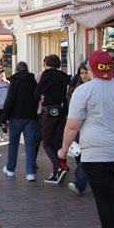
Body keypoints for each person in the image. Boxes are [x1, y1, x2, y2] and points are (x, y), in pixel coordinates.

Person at [58, 50, 114, 228]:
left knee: (104, 197)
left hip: (97, 151)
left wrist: (64, 149)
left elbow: (72, 126)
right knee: (112, 192)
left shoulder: (84, 91)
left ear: (92, 68)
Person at [34, 54, 71, 184]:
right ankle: (56, 172)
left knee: (47, 143)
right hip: (61, 111)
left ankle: (59, 167)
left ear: (47, 64)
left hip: (49, 111)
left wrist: (42, 97)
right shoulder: (63, 76)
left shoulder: (47, 74)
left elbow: (36, 92)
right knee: (56, 142)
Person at [1, 62, 39, 181]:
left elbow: (10, 99)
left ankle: (11, 169)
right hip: (30, 117)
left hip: (16, 117)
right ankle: (30, 172)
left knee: (13, 143)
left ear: (16, 70)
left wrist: (3, 118)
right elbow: (36, 98)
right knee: (30, 145)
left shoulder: (15, 81)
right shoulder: (33, 81)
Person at [67, 61, 90, 196]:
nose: (84, 76)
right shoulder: (78, 88)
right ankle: (82, 179)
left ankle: (80, 182)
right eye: (82, 73)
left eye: (86, 72)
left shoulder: (92, 89)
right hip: (79, 126)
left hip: (89, 128)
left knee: (86, 155)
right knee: (79, 153)